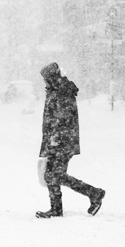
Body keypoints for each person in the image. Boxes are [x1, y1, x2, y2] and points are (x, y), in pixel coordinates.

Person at [36, 62, 105, 219]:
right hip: (57, 141)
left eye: (46, 78)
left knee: (55, 175)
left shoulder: (62, 91)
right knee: (51, 175)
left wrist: (55, 138)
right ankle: (57, 209)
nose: (44, 82)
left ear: (52, 77)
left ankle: (94, 193)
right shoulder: (56, 90)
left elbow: (63, 118)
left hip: (62, 142)